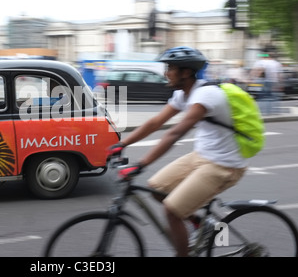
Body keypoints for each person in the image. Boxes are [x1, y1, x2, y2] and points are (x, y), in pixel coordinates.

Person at [107, 46, 248, 257]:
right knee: (156, 189)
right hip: (201, 157)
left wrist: (141, 164)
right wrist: (123, 143)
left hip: (224, 165)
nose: (166, 73)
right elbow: (156, 122)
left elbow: (175, 133)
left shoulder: (206, 95)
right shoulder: (183, 94)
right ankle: (203, 224)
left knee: (172, 210)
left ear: (186, 72)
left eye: (170, 68)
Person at [251, 50, 283, 115]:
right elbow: (279, 75)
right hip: (273, 81)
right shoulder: (276, 63)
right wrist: (280, 83)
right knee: (272, 96)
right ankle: (272, 111)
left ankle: (261, 111)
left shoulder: (261, 62)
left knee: (262, 96)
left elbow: (255, 71)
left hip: (263, 81)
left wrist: (252, 79)